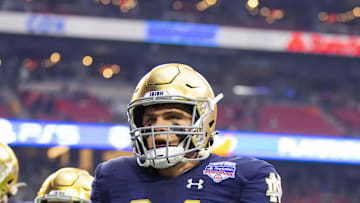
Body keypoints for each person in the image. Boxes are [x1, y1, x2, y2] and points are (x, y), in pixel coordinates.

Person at [91, 63, 282, 202]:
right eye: (150, 119)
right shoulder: (112, 176)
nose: (157, 127)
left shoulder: (248, 175)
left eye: (173, 117)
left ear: (204, 122)